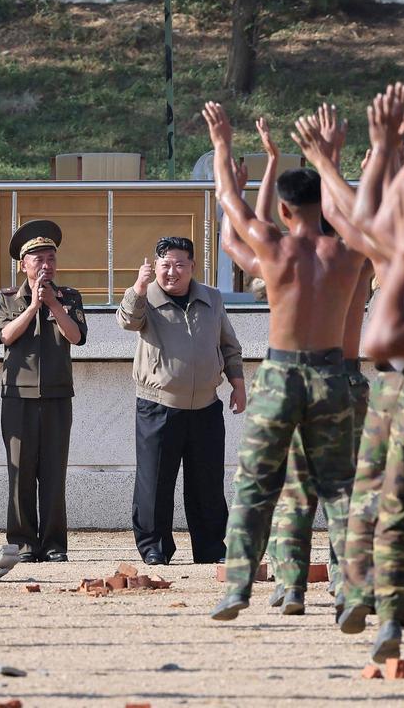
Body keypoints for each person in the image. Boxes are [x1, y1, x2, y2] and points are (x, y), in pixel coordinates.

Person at [201, 101, 364, 621]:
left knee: (257, 481)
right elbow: (356, 217)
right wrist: (330, 160)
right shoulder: (346, 254)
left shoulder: (273, 248)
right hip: (332, 372)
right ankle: (353, 590)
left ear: (286, 212)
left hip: (281, 371)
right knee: (339, 487)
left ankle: (238, 588)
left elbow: (230, 205)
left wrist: (224, 143)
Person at [116, 235, 245, 566]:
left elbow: (229, 344)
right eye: (165, 265)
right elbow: (127, 321)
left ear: (192, 267)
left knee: (207, 482)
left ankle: (211, 548)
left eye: (179, 265)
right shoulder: (146, 297)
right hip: (158, 405)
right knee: (155, 481)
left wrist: (237, 383)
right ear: (155, 266)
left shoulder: (212, 298)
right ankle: (154, 547)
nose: (172, 272)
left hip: (205, 405)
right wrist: (139, 288)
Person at [0, 219, 88, 563]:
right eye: (38, 259)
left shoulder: (70, 297)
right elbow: (5, 336)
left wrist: (54, 306)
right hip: (17, 397)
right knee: (19, 473)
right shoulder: (6, 298)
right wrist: (32, 305)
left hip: (58, 396)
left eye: (51, 258)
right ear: (23, 264)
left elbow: (76, 337)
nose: (46, 265)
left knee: (53, 472)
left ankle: (53, 543)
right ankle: (22, 543)